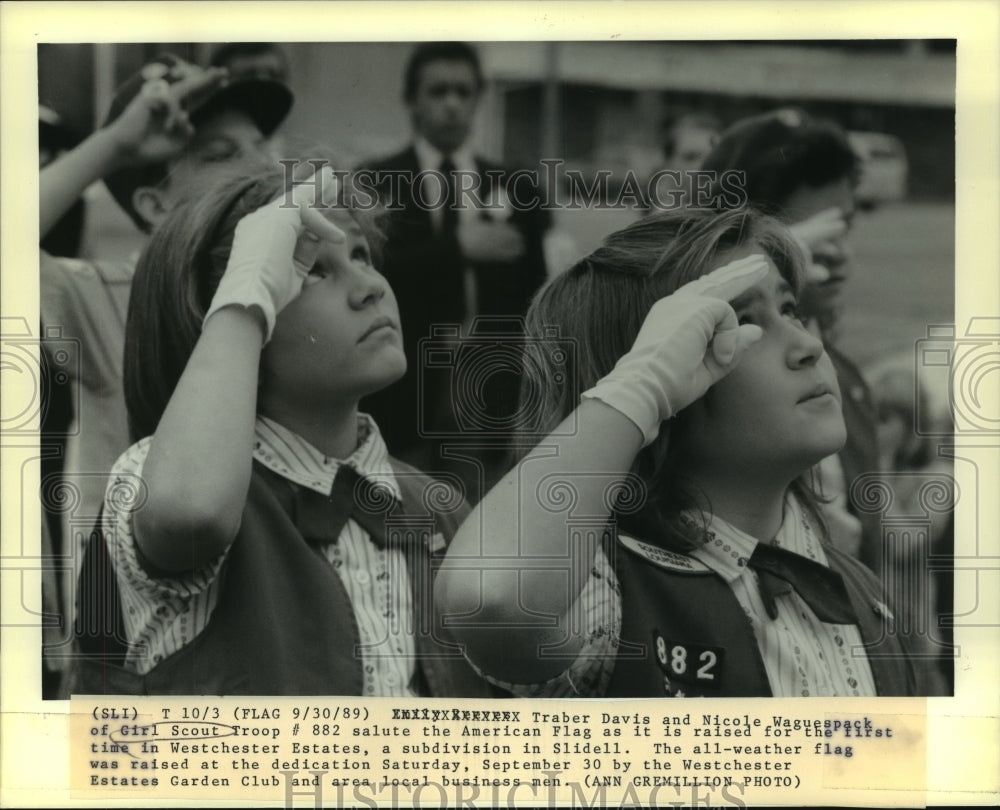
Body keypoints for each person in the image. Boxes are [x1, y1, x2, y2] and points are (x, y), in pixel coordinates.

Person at [436, 207, 917, 698]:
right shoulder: (606, 595)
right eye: (742, 323)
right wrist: (639, 389)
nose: (807, 345)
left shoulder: (859, 590)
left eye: (790, 309)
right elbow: (489, 598)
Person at [71, 165, 497, 697]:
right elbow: (191, 513)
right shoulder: (157, 477)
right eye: (312, 271)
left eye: (361, 255)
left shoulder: (438, 507)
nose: (369, 288)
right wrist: (247, 295)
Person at [39, 54, 292, 606]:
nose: (261, 166)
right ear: (154, 205)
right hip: (137, 626)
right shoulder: (107, 297)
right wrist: (114, 147)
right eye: (222, 155)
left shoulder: (293, 289)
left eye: (262, 145)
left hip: (263, 601)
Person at [700, 108, 883, 574]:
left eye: (842, 227)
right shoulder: (705, 380)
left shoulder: (842, 371)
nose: (836, 255)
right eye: (801, 237)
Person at [361, 42, 549, 489]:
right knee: (400, 506)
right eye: (438, 91)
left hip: (488, 382)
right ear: (413, 100)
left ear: (479, 100)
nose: (452, 104)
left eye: (464, 93)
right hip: (404, 381)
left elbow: (537, 295)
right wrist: (455, 249)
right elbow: (370, 272)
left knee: (473, 519)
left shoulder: (516, 185)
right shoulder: (376, 180)